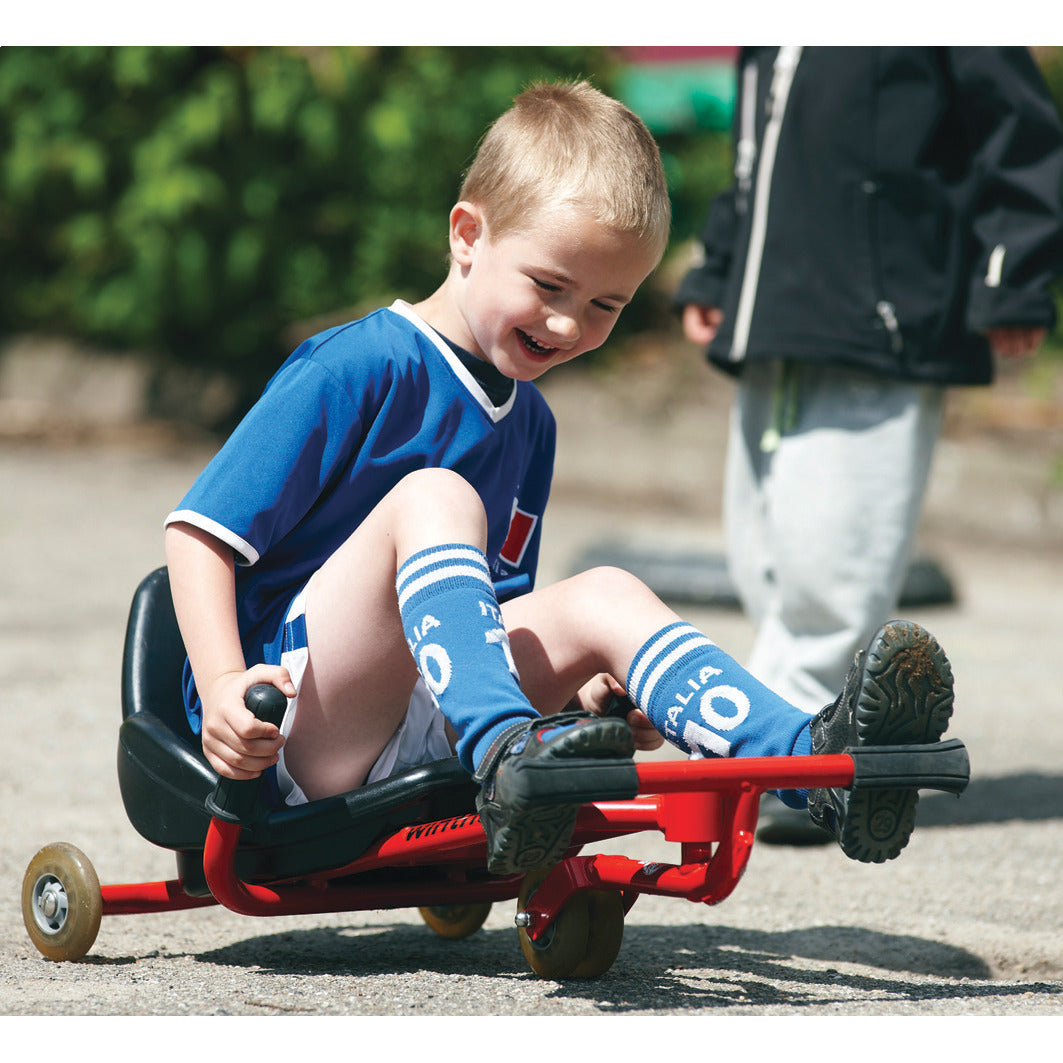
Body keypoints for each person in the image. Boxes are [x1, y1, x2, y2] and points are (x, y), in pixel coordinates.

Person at [165, 80, 956, 878]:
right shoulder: (355, 366)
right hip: (296, 737)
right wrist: (225, 684)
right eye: (548, 286)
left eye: (607, 305)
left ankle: (809, 765)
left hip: (437, 727)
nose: (569, 325)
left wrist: (583, 698)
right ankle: (512, 759)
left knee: (606, 591)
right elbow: (196, 534)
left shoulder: (531, 422)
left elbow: (481, 624)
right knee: (435, 496)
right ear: (468, 234)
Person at [674, 47, 1063, 841]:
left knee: (835, 547)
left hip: (884, 315)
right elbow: (755, 153)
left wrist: (1014, 272)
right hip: (777, 308)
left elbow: (1018, 131)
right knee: (762, 544)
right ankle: (778, 733)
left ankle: (804, 758)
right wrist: (719, 265)